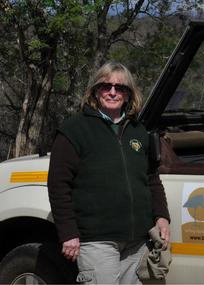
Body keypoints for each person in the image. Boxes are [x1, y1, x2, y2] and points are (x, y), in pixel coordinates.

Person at [48, 61, 170, 284]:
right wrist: (68, 233)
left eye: (120, 88)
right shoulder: (74, 130)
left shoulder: (138, 131)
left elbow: (152, 179)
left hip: (138, 241)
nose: (112, 92)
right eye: (106, 86)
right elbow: (58, 185)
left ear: (128, 94)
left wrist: (161, 216)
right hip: (96, 241)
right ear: (95, 90)